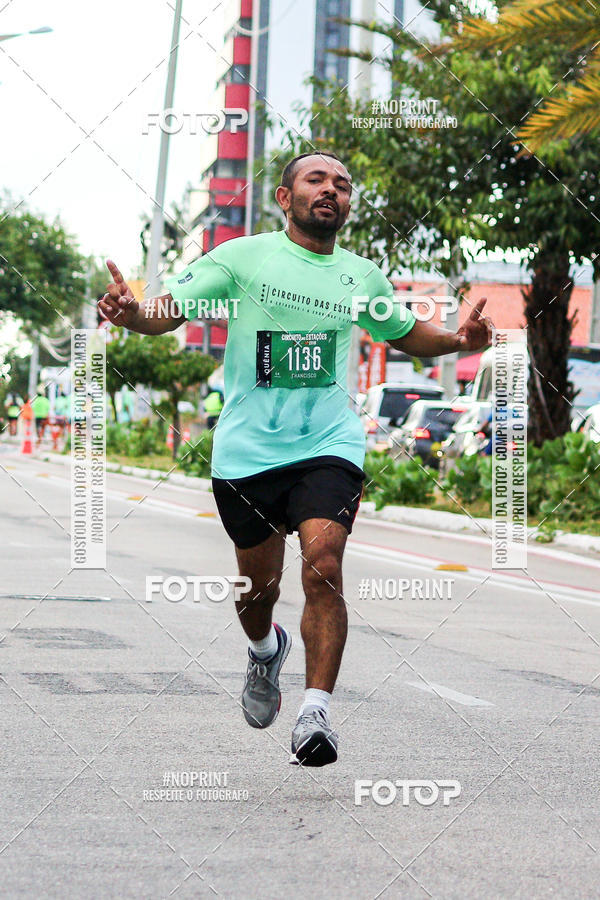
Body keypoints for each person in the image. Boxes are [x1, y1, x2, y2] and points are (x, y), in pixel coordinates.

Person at [99, 151, 493, 767]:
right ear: (285, 198)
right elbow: (170, 311)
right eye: (316, 180)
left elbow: (401, 331)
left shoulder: (361, 276)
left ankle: (316, 713)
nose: (331, 190)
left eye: (342, 184)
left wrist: (456, 341)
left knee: (323, 565)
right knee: (257, 591)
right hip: (247, 453)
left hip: (327, 444)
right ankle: (264, 650)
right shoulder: (241, 258)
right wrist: (133, 315)